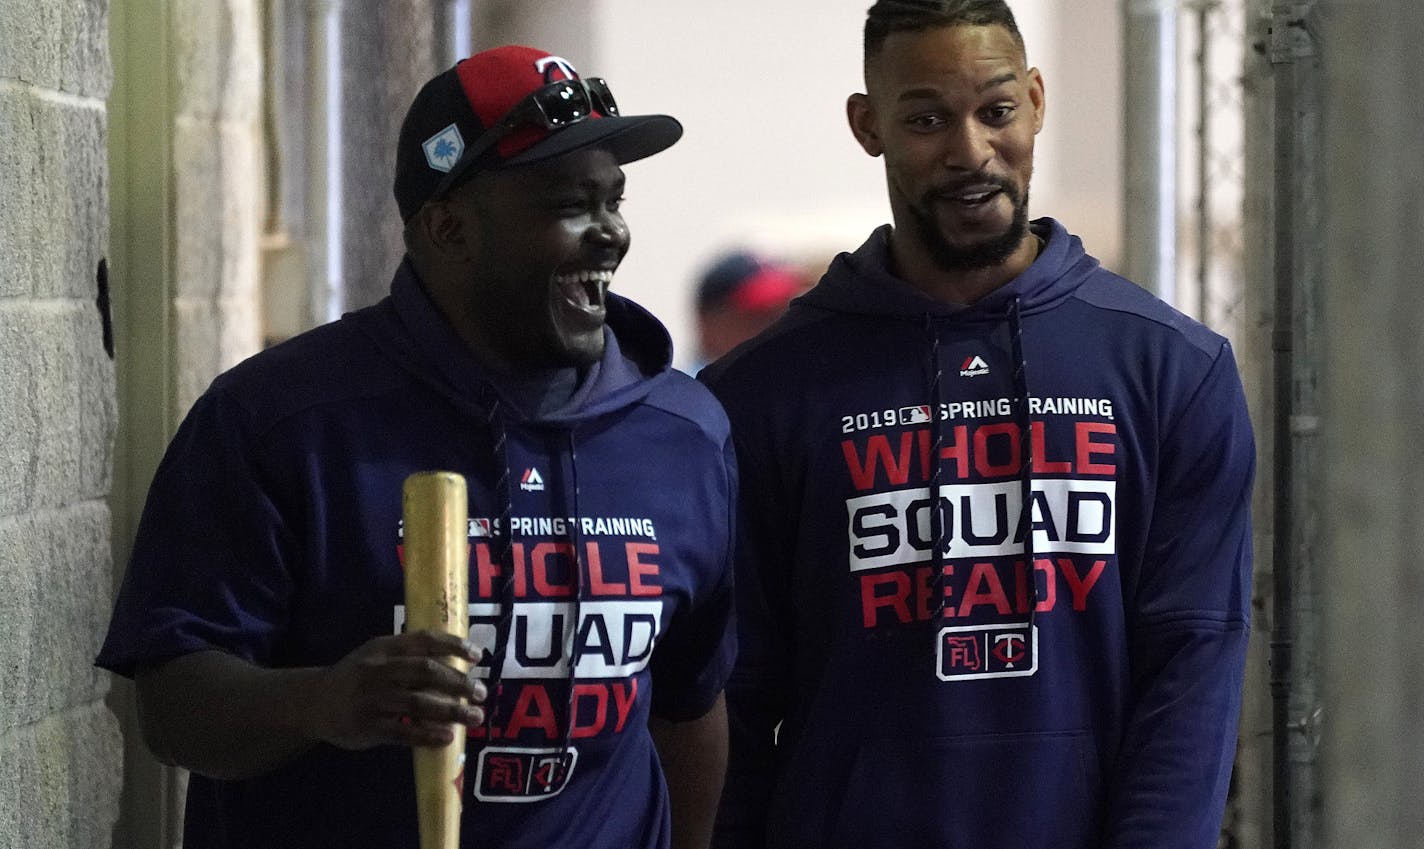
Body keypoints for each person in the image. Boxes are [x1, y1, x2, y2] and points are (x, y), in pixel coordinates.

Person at [98, 44, 736, 849]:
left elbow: (690, 704)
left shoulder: (683, 433)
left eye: (614, 198)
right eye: (569, 203)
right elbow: (175, 705)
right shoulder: (281, 421)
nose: (609, 232)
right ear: (449, 227)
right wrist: (322, 700)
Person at [700, 2, 1255, 847]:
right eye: (925, 118)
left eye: (996, 110)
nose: (969, 151)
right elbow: (734, 705)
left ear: (1036, 100)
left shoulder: (1171, 371)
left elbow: (1190, 672)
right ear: (867, 125)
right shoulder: (764, 394)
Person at [691, 250, 805, 370]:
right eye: (759, 319)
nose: (778, 330)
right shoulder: (689, 386)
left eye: (784, 315)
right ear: (708, 324)